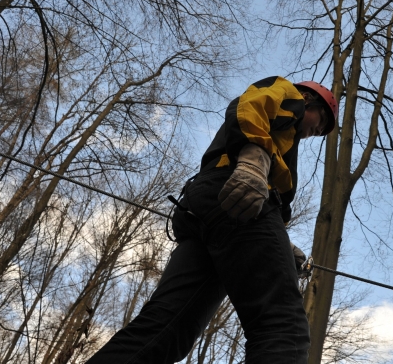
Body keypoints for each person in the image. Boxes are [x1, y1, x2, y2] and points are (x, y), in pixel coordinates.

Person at [86, 76, 339, 364]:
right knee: (283, 326)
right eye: (317, 124)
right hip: (235, 192)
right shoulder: (287, 94)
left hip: (212, 208)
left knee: (168, 329)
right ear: (308, 100)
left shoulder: (283, 138)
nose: (312, 133)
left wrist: (281, 241)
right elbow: (250, 105)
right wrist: (253, 159)